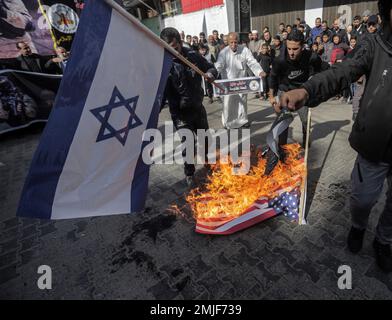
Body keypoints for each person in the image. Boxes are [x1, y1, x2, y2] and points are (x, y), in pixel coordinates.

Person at [278, 0, 392, 273]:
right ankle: (358, 226)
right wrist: (306, 91)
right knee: (362, 199)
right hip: (374, 146)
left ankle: (384, 240)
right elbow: (342, 72)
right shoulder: (374, 44)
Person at [160, 27, 217, 187]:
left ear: (179, 42)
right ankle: (190, 173)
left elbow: (210, 67)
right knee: (188, 143)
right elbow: (160, 93)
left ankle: (207, 162)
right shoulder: (163, 63)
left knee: (205, 139)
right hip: (180, 114)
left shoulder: (192, 55)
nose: (172, 50)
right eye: (168, 47)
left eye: (175, 46)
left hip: (197, 107)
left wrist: (211, 75)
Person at [268, 30, 321, 147]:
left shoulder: (312, 57)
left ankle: (306, 143)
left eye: (295, 49)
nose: (291, 53)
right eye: (289, 48)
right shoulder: (280, 60)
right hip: (284, 91)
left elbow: (319, 71)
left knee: (306, 120)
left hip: (302, 90)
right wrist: (271, 96)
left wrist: (313, 80)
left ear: (302, 46)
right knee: (283, 121)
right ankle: (282, 147)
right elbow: (272, 77)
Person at [215, 32, 265, 129]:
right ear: (227, 42)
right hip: (228, 83)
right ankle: (227, 122)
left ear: (238, 41)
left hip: (241, 82)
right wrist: (214, 73)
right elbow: (219, 65)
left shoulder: (245, 50)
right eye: (231, 42)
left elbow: (252, 62)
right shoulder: (223, 52)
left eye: (235, 42)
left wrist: (259, 71)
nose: (233, 45)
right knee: (228, 102)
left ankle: (243, 121)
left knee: (242, 101)